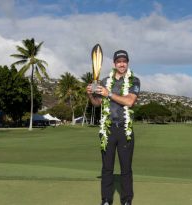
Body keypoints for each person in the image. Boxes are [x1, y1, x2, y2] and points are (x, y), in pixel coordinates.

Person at [86, 50, 140, 205]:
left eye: (124, 61)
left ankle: (126, 200)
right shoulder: (104, 81)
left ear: (127, 63)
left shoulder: (134, 81)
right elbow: (98, 103)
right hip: (108, 130)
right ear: (114, 64)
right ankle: (106, 200)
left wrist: (108, 93)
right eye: (119, 61)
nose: (122, 64)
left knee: (126, 168)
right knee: (107, 168)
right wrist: (90, 94)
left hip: (125, 129)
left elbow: (130, 101)